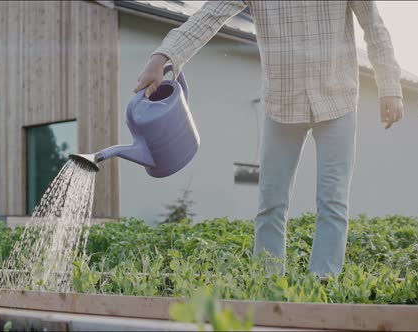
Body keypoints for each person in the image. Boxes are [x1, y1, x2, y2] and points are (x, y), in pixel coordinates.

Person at [134, 1, 404, 277]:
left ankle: (322, 284)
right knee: (271, 203)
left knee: (333, 201)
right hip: (282, 103)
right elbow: (209, 16)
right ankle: (268, 284)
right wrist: (161, 58)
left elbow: (374, 26)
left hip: (337, 99)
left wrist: (390, 86)